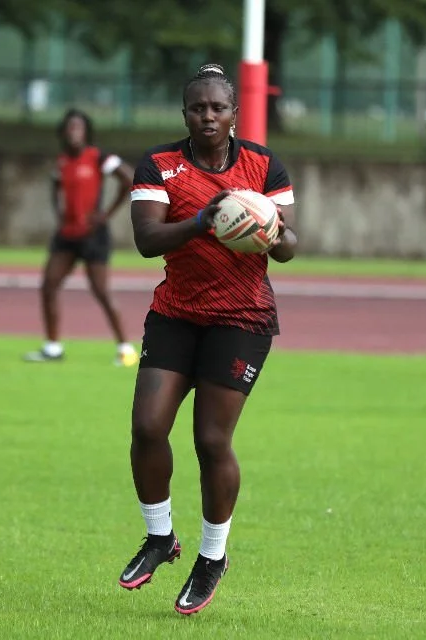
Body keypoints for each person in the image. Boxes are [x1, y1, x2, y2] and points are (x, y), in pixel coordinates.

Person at [116, 63, 299, 616]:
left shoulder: (264, 165)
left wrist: (265, 225)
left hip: (241, 319)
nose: (208, 116)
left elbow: (289, 247)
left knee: (211, 442)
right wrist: (207, 220)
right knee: (148, 427)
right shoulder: (160, 165)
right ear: (186, 114)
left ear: (233, 113)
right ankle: (159, 536)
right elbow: (147, 240)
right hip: (176, 312)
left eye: (218, 107)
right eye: (198, 108)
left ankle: (212, 556)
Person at [23, 108, 139, 366]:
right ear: (63, 132)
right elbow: (55, 187)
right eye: (70, 127)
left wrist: (106, 214)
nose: (74, 131)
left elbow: (129, 179)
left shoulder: (98, 157)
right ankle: (52, 348)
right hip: (66, 235)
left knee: (101, 291)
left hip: (93, 236)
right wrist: (60, 214)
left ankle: (125, 348)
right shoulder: (62, 161)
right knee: (48, 286)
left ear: (86, 132)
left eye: (79, 127)